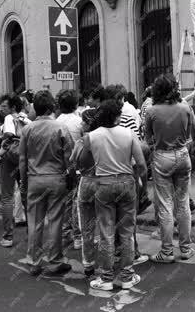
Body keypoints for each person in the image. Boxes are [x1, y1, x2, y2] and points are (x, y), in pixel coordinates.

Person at [84, 100, 146, 290]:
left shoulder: (91, 136)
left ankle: (106, 278)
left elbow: (85, 164)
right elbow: (141, 164)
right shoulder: (128, 134)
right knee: (127, 232)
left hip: (103, 184)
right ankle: (127, 276)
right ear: (117, 116)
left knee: (106, 232)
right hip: (127, 182)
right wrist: (139, 182)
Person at [144, 74, 195, 263]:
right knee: (183, 203)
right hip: (182, 154)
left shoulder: (151, 111)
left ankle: (166, 252)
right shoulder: (185, 107)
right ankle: (186, 248)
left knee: (165, 205)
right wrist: (189, 146)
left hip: (162, 156)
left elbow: (148, 138)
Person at [19, 91, 73, 276]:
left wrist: (23, 181)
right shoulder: (60, 128)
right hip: (56, 178)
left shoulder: (27, 130)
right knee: (56, 220)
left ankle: (34, 261)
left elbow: (22, 160)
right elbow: (69, 158)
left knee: (35, 222)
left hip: (35, 178)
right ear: (51, 107)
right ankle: (55, 259)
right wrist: (70, 178)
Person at [0, 93, 31, 248]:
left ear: (12, 107)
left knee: (7, 197)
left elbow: (9, 134)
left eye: (4, 106)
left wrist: (3, 141)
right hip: (24, 157)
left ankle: (8, 236)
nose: (1, 109)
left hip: (9, 158)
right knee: (26, 196)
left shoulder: (9, 118)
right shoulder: (27, 118)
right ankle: (32, 234)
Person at [71, 109, 100, 277]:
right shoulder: (104, 139)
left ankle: (88, 263)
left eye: (83, 121)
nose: (81, 124)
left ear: (89, 123)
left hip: (87, 182)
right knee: (106, 223)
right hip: (105, 182)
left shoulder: (82, 142)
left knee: (87, 226)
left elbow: (72, 162)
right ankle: (107, 263)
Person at [56, 89, 84, 250]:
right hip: (78, 167)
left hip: (60, 167)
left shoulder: (55, 122)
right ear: (75, 104)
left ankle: (65, 232)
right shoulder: (78, 122)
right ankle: (77, 236)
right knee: (77, 202)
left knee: (65, 201)